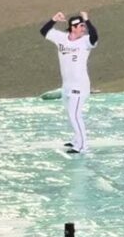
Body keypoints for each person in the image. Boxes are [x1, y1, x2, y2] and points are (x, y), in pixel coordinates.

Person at [40, 11, 99, 155]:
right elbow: (44, 31)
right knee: (70, 113)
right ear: (73, 27)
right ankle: (76, 140)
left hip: (80, 86)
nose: (83, 29)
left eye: (84, 26)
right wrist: (54, 19)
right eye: (81, 26)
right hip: (66, 85)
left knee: (75, 115)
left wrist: (87, 20)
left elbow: (95, 37)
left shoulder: (85, 41)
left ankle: (82, 146)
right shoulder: (61, 38)